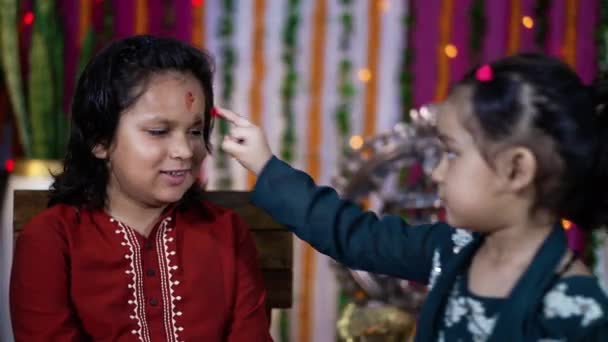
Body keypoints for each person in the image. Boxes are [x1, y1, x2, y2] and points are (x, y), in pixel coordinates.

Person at [220, 53, 608, 341]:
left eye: (452, 153)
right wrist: (266, 165)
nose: (436, 172)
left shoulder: (574, 308)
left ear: (516, 170)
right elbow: (352, 234)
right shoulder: (451, 250)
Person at [10, 35, 272, 341]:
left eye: (195, 131)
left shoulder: (227, 232)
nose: (185, 151)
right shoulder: (52, 240)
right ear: (100, 139)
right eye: (159, 131)